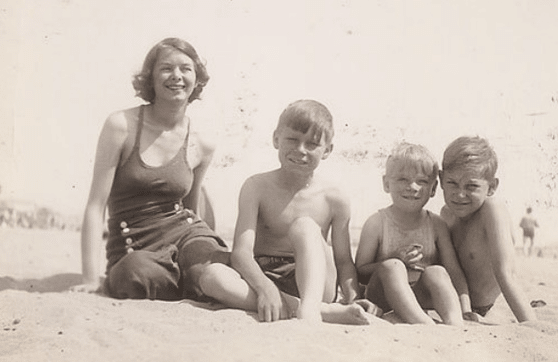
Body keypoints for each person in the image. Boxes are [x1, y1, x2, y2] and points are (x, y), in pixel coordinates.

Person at [72, 38, 231, 302]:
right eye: (166, 68)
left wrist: (206, 251)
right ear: (151, 78)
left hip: (187, 235)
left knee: (212, 266)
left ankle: (294, 305)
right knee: (135, 275)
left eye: (186, 69)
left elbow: (193, 210)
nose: (177, 76)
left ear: (197, 78)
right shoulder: (121, 125)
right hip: (136, 248)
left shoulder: (203, 142)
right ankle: (191, 284)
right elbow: (95, 205)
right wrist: (90, 279)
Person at [212, 99, 380, 324]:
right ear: (276, 139)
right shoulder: (256, 186)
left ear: (327, 150)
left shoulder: (334, 198)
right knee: (213, 276)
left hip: (315, 281)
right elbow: (241, 253)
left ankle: (310, 309)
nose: (300, 150)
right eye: (292, 139)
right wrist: (265, 288)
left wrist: (352, 298)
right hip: (265, 275)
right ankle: (319, 311)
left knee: (305, 225)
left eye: (312, 144)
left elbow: (343, 262)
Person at [355, 143, 472, 326]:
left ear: (433, 189)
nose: (412, 187)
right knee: (393, 266)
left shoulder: (436, 224)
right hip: (382, 297)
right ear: (386, 184)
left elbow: (453, 270)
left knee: (437, 271)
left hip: (419, 296)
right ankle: (423, 323)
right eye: (402, 179)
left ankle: (455, 323)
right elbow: (361, 271)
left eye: (422, 181)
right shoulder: (377, 223)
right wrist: (396, 259)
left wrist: (466, 307)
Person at [439, 136, 537, 322]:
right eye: (452, 183)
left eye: (472, 186)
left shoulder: (491, 210)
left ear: (491, 187)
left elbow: (507, 273)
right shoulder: (446, 214)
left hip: (480, 307)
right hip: (451, 304)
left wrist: (532, 326)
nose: (460, 194)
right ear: (441, 179)